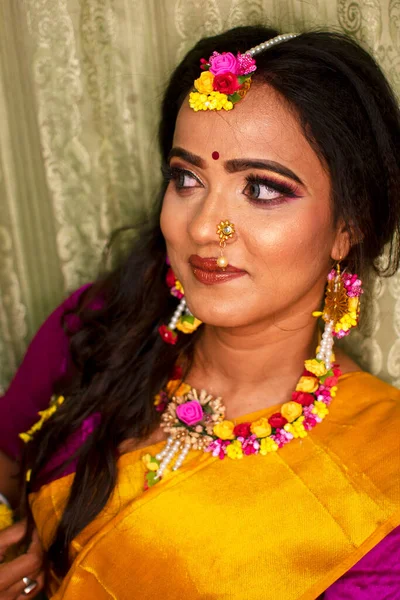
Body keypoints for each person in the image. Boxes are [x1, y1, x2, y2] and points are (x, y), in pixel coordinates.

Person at [0, 25, 399, 600]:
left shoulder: (382, 478)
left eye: (261, 188)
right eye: (186, 178)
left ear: (347, 226)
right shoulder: (99, 327)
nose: (203, 227)